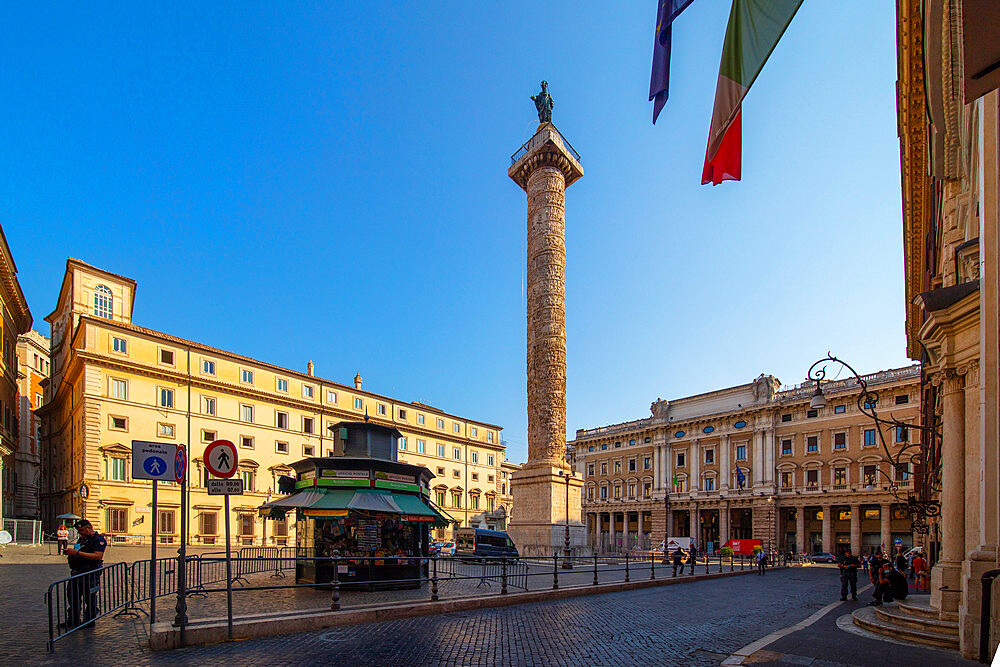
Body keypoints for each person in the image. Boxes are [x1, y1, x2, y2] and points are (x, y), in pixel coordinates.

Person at [64, 519, 107, 628]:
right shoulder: (82, 540)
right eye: (78, 531)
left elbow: (98, 556)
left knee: (90, 597)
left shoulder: (98, 540)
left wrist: (77, 553)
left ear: (89, 528)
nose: (80, 533)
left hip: (90, 572)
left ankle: (89, 620)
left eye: (82, 530)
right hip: (77, 572)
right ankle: (73, 619)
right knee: (73, 596)